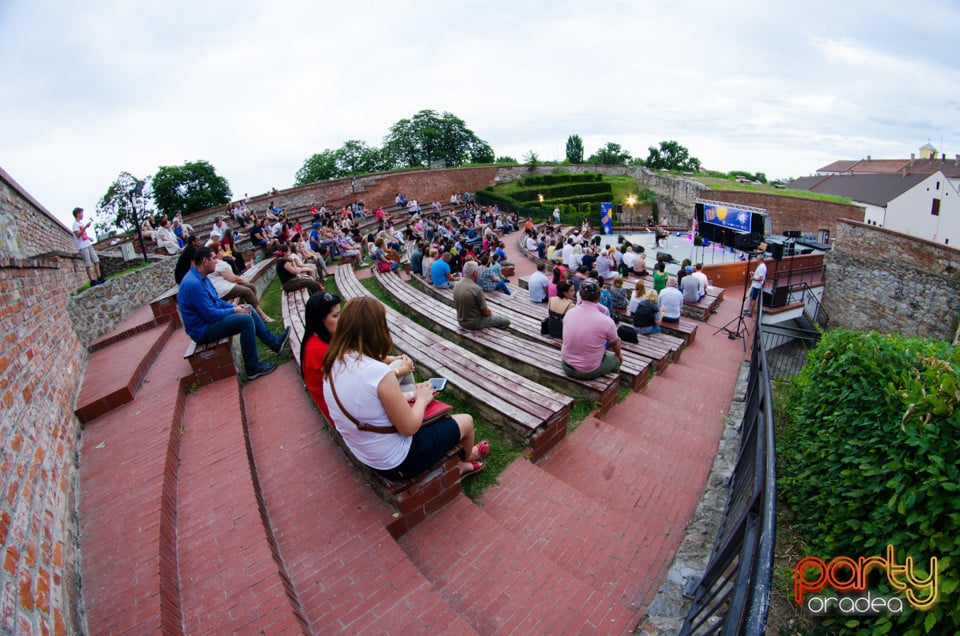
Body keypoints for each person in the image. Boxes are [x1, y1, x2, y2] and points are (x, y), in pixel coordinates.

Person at [323, 297, 486, 479]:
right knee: (466, 421)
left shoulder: (332, 362)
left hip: (364, 449)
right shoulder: (377, 373)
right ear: (377, 331)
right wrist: (422, 399)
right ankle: (466, 458)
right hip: (396, 461)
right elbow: (409, 428)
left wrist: (409, 393)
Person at [177, 247, 289, 380]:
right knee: (245, 320)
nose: (217, 262)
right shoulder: (193, 284)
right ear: (205, 261)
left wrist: (235, 306)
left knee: (247, 308)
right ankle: (252, 368)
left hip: (207, 321)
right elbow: (210, 314)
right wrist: (234, 310)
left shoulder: (202, 277)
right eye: (214, 259)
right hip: (202, 330)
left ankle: (275, 343)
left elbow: (216, 301)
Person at [560, 279, 622, 380]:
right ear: (599, 295)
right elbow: (615, 344)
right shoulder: (606, 321)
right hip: (587, 371)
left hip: (566, 364)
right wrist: (619, 355)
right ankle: (614, 386)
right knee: (616, 360)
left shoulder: (570, 312)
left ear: (580, 294)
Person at [454, 261, 510, 330]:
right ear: (474, 273)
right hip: (473, 323)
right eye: (477, 271)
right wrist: (490, 314)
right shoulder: (476, 289)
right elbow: (486, 312)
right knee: (505, 321)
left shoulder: (457, 285)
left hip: (461, 321)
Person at [72, 207, 105, 286]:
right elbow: (78, 234)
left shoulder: (81, 224)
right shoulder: (75, 225)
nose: (82, 215)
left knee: (96, 260)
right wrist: (85, 227)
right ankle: (92, 281)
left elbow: (83, 235)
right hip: (82, 247)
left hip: (87, 244)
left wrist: (89, 238)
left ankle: (99, 277)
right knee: (88, 264)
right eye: (81, 213)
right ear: (77, 214)